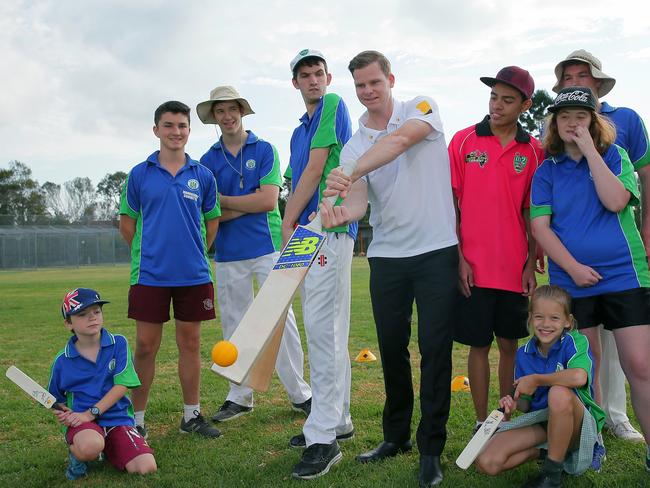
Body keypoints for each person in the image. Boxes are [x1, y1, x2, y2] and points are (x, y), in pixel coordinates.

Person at [322, 50, 458, 487]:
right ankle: (395, 436)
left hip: (437, 250)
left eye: (374, 82)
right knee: (392, 350)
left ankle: (431, 449)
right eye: (360, 85)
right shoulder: (354, 142)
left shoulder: (421, 108)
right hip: (387, 257)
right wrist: (339, 212)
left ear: (390, 79)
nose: (367, 92)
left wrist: (347, 172)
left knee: (435, 349)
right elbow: (360, 202)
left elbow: (398, 143)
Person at [530, 86, 650, 472]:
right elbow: (541, 228)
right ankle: (593, 442)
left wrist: (592, 152)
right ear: (554, 124)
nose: (572, 123)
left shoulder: (615, 156)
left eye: (581, 117)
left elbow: (615, 201)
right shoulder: (547, 170)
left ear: (594, 121)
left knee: (640, 365)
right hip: (570, 279)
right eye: (564, 117)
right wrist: (574, 269)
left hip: (624, 275)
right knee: (588, 364)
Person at [196, 85, 312, 422]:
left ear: (242, 112)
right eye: (220, 111)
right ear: (214, 118)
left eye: (233, 109)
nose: (227, 116)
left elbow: (267, 201)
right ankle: (239, 395)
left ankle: (300, 394)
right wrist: (244, 203)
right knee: (234, 324)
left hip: (269, 245)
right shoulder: (207, 161)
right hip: (229, 251)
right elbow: (211, 213)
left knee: (280, 319)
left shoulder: (264, 149)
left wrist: (227, 202)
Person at [552, 49, 650, 443]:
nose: (576, 81)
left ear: (597, 82)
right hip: (576, 270)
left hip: (623, 260)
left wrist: (647, 231)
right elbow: (544, 219)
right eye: (568, 77)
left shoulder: (625, 121)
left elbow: (641, 182)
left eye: (582, 75)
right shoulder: (552, 161)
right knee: (591, 353)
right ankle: (595, 431)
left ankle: (618, 416)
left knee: (634, 355)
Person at [119, 101, 221, 439]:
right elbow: (127, 223)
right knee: (146, 346)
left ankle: (191, 416)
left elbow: (212, 222)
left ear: (189, 130)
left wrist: (191, 253)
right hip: (150, 275)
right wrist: (151, 254)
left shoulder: (203, 176)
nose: (176, 132)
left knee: (190, 344)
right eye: (169, 126)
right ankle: (137, 420)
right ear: (156, 130)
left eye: (182, 126)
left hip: (193, 274)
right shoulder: (139, 174)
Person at [449, 66, 542, 433]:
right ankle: (478, 421)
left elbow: (532, 211)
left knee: (509, 345)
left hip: (512, 268)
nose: (497, 106)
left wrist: (529, 263)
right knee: (477, 346)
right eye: (493, 97)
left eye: (507, 100)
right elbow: (451, 207)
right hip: (472, 266)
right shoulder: (463, 141)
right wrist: (459, 259)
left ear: (524, 104)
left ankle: (502, 419)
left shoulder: (533, 150)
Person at [282, 48, 357, 480]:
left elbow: (313, 171)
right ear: (295, 83)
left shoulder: (332, 104)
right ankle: (336, 420)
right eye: (304, 75)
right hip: (309, 232)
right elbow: (300, 173)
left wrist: (288, 218)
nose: (313, 80)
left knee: (323, 329)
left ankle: (322, 437)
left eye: (318, 73)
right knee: (326, 327)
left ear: (327, 77)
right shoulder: (298, 130)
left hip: (323, 225)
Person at [475, 285, 605, 488]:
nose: (546, 324)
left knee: (559, 393)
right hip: (543, 423)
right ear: (530, 319)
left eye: (554, 318)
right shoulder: (524, 354)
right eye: (539, 317)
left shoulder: (575, 341)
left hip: (577, 424)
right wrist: (514, 402)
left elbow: (579, 377)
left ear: (568, 321)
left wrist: (536, 379)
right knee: (487, 462)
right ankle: (549, 453)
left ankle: (551, 476)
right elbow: (527, 405)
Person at [48, 288, 157, 480]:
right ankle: (79, 454)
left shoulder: (118, 344)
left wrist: (90, 414)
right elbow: (55, 400)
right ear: (68, 323)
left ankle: (110, 447)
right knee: (91, 446)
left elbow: (122, 385)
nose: (92, 318)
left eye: (96, 312)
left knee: (146, 467)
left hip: (116, 418)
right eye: (82, 314)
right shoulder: (62, 361)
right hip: (82, 423)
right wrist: (64, 413)